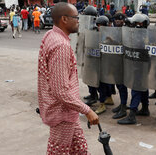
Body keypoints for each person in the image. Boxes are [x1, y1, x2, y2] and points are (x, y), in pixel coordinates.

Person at [38, 3, 99, 154]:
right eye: (76, 17)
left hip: (68, 111)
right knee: (59, 151)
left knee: (80, 149)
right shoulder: (61, 46)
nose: (78, 20)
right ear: (64, 19)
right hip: (61, 113)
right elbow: (60, 90)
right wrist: (87, 110)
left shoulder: (51, 35)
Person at [118, 14, 150, 125]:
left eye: (139, 24)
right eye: (136, 24)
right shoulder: (137, 34)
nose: (137, 26)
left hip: (142, 66)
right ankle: (145, 109)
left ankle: (132, 115)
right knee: (143, 88)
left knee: (136, 89)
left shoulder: (147, 36)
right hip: (137, 65)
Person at [93, 16, 115, 115]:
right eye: (98, 25)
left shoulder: (111, 35)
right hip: (100, 62)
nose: (99, 27)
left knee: (103, 84)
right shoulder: (97, 34)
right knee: (105, 83)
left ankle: (102, 104)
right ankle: (109, 98)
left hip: (107, 63)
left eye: (101, 25)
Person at [110, 13, 129, 119]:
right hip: (115, 61)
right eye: (117, 20)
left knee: (122, 85)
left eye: (121, 20)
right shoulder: (113, 30)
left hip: (124, 62)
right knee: (119, 85)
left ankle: (124, 107)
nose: (119, 22)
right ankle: (122, 104)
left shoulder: (127, 30)